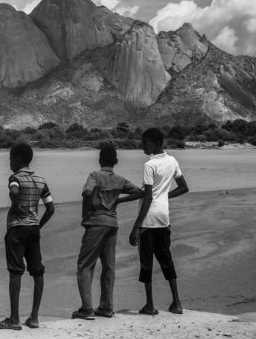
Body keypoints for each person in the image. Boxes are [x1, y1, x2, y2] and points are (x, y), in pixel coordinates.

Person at [74, 142, 144, 320]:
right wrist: (119, 200)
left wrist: (87, 213)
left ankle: (87, 309)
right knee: (108, 266)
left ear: (99, 159)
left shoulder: (95, 175)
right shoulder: (120, 180)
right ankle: (106, 307)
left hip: (96, 222)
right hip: (112, 223)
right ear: (116, 161)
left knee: (85, 265)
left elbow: (87, 193)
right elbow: (139, 192)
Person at [128, 127, 189, 315]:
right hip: (164, 218)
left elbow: (147, 198)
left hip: (148, 220)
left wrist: (135, 227)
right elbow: (184, 187)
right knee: (166, 259)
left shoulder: (149, 165)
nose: (142, 147)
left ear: (156, 143)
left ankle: (150, 305)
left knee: (146, 262)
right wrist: (164, 196)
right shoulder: (172, 161)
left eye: (145, 143)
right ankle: (177, 303)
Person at [0, 142, 55, 331]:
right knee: (37, 271)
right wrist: (38, 225)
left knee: (15, 271)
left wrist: (18, 206)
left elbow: (13, 191)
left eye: (10, 159)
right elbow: (50, 208)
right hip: (33, 229)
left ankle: (14, 319)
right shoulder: (40, 180)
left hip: (17, 228)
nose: (9, 163)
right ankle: (34, 317)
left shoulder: (15, 178)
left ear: (18, 159)